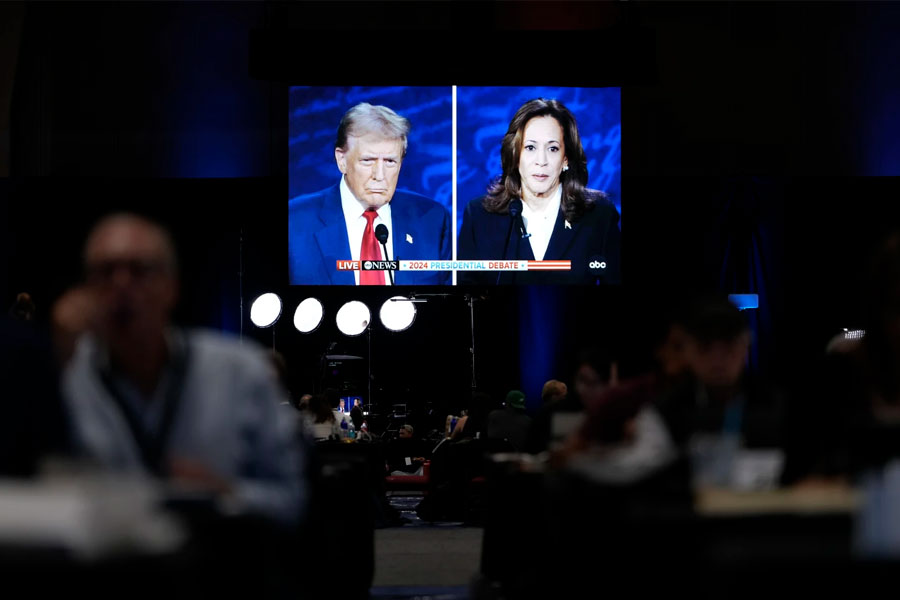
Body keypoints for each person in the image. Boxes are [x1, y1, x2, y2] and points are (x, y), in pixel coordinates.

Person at [60, 213, 305, 525]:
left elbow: (294, 500)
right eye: (105, 272)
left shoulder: (241, 372)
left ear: (171, 287)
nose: (121, 285)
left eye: (139, 270)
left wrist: (227, 496)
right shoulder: (68, 375)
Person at [458, 98, 621, 285]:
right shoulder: (479, 216)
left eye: (552, 148)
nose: (541, 161)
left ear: (566, 158)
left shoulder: (599, 215)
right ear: (515, 154)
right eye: (530, 147)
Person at [288, 102, 451, 285]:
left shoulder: (433, 220)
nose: (379, 175)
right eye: (368, 160)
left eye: (390, 161)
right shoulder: (294, 221)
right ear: (342, 160)